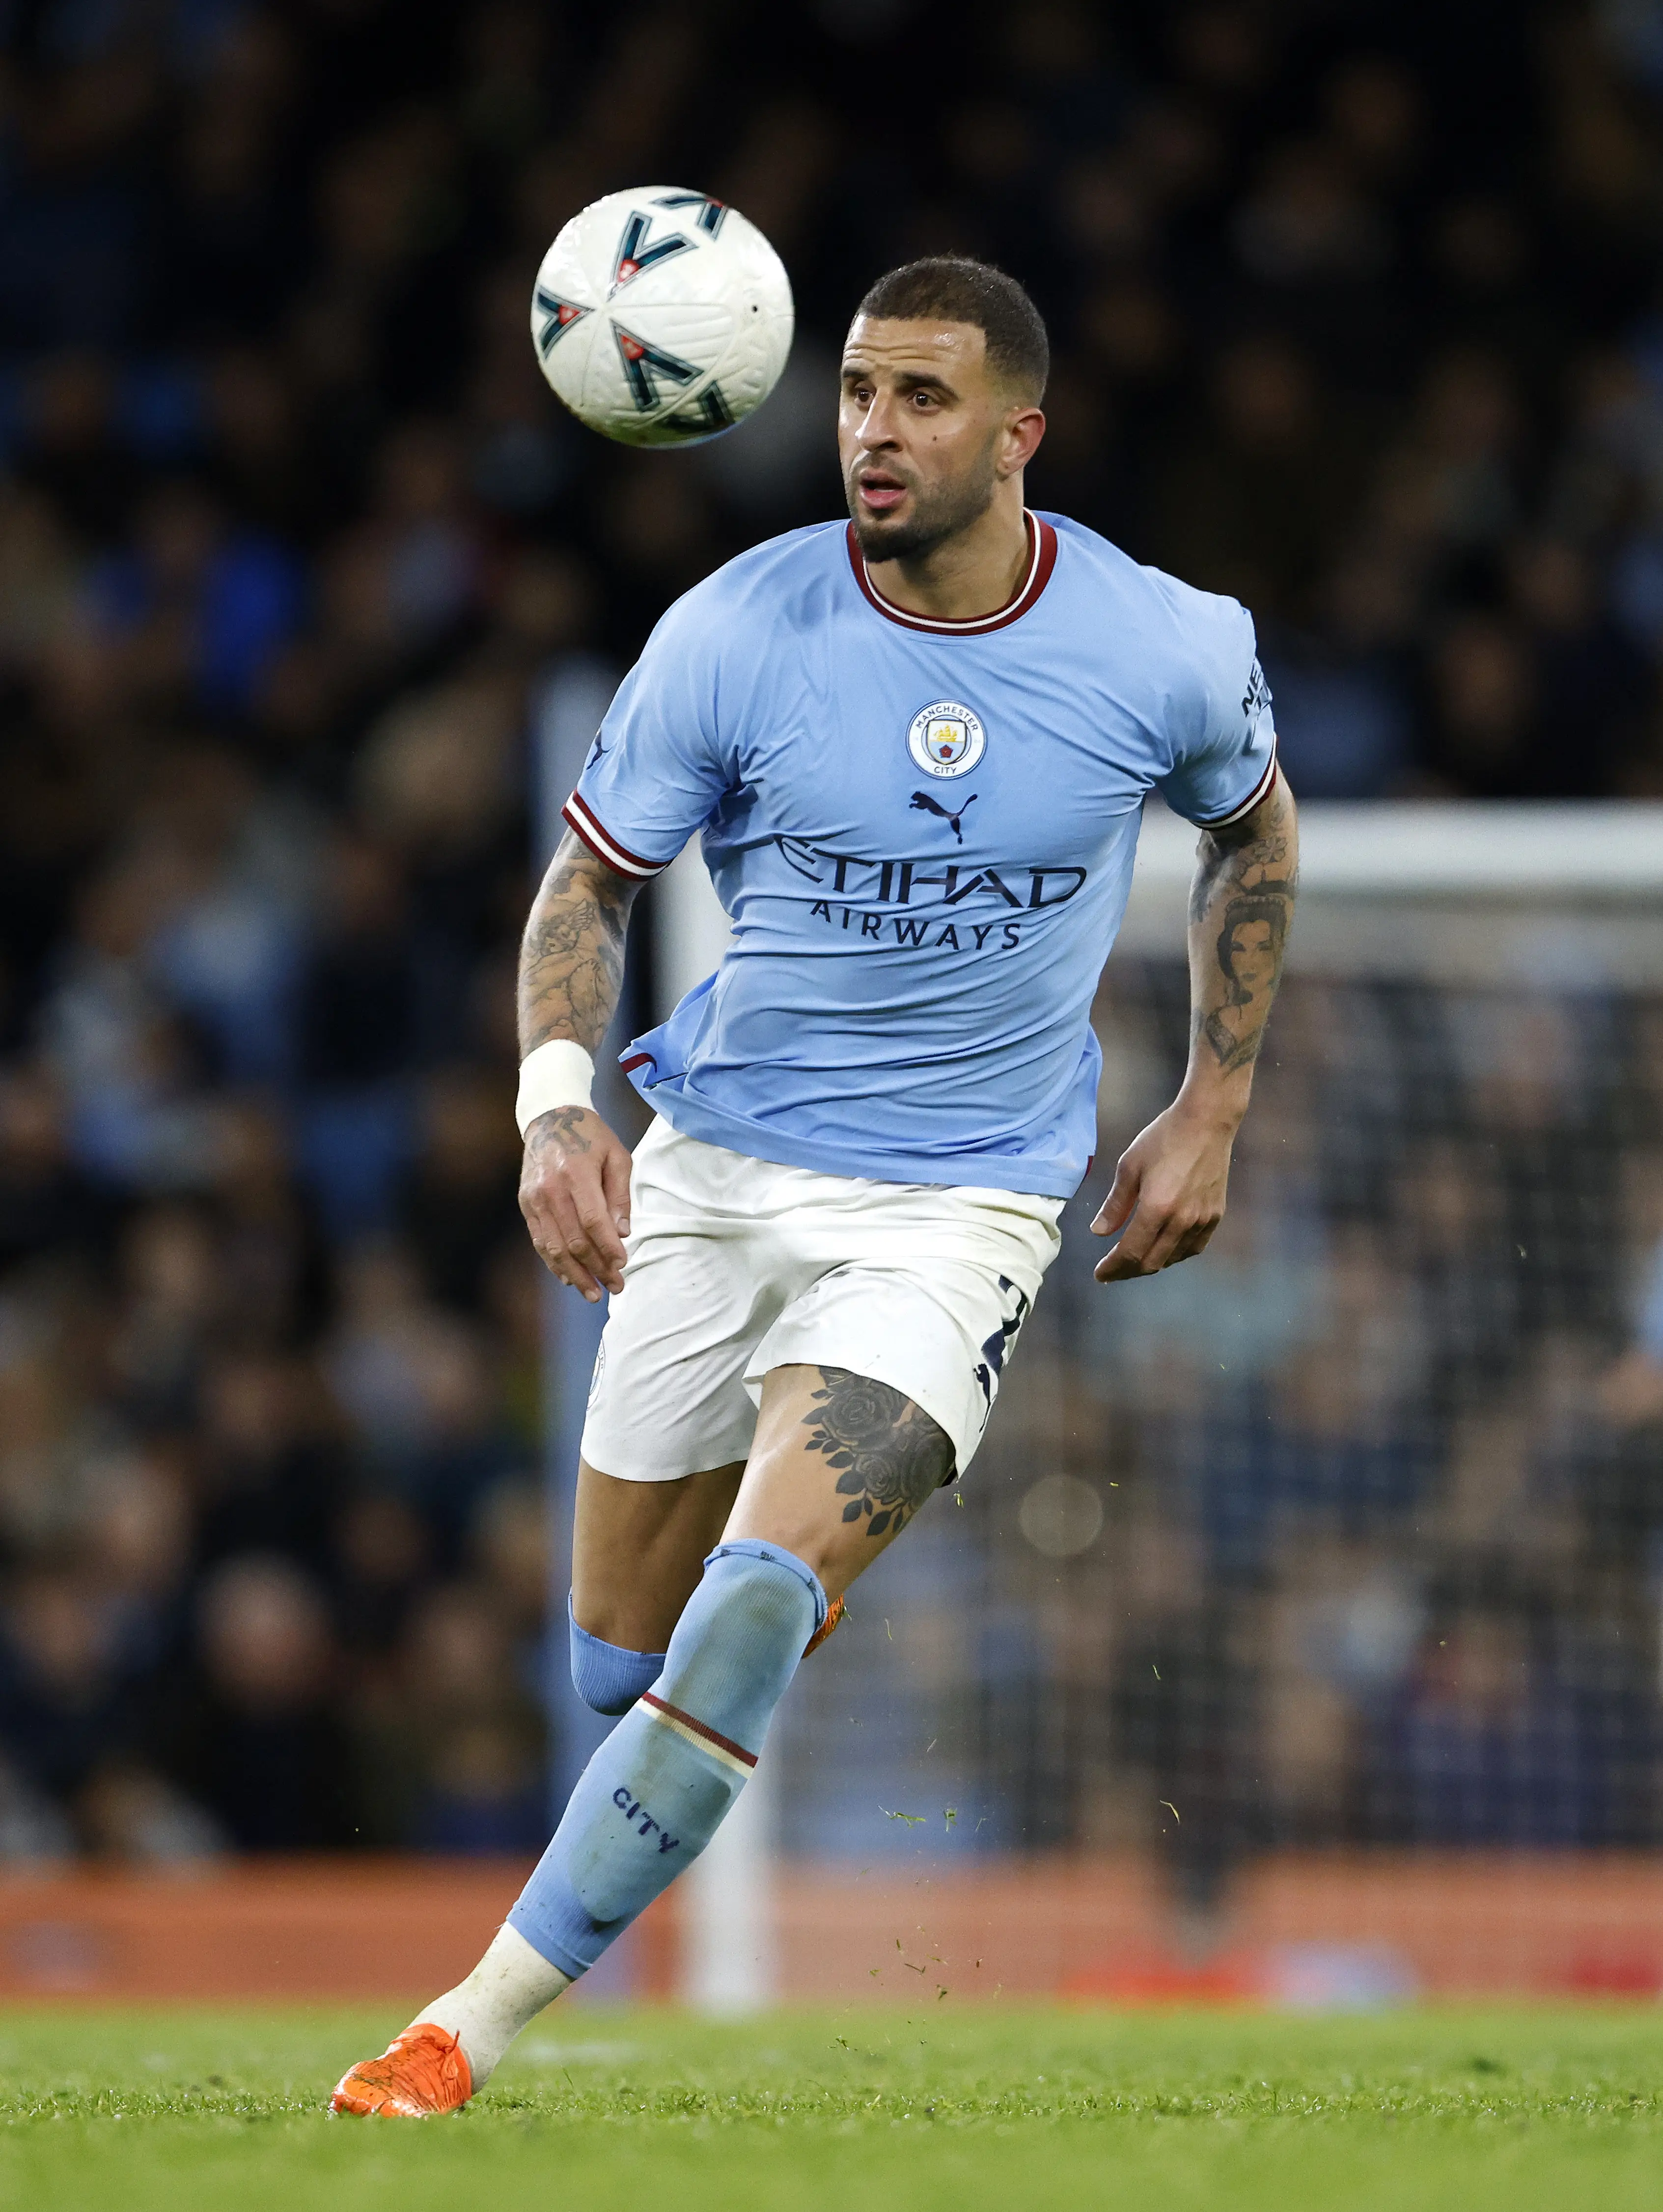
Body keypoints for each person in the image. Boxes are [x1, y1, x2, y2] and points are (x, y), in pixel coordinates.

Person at [332, 253, 1298, 2116]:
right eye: (857, 390)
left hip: (959, 1211)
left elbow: (1252, 835)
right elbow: (589, 884)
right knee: (618, 1661)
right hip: (718, 1178)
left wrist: (1216, 1101)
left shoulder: (1164, 642)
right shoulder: (733, 630)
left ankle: (460, 2028)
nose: (874, 429)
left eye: (923, 398)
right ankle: (731, 1644)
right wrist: (554, 1110)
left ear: (1020, 434)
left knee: (757, 1596)